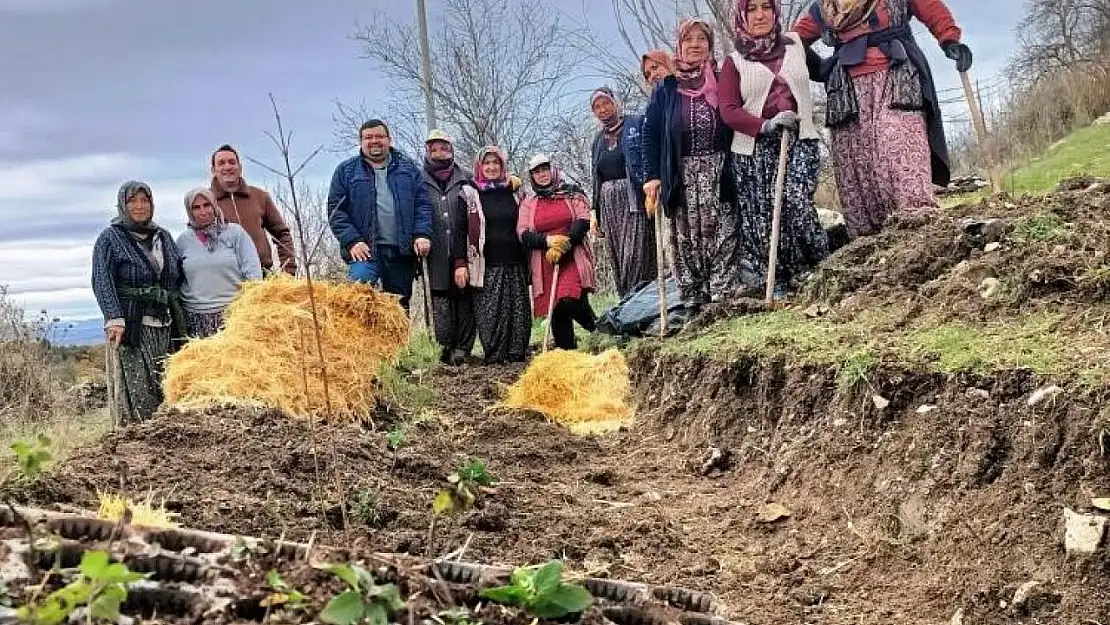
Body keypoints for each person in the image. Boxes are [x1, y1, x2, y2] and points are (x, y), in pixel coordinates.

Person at [794, 0, 971, 237]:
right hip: (846, 94)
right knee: (856, 168)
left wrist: (950, 39)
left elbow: (931, 8)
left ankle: (922, 233)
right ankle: (871, 246)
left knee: (898, 151)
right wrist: (818, 67)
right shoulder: (825, 7)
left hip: (895, 78)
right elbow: (794, 41)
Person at [720, 0, 828, 297]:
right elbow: (728, 110)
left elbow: (825, 69)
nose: (760, 15)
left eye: (765, 7)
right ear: (743, 16)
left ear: (774, 11)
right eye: (752, 9)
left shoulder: (794, 43)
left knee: (794, 199)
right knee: (765, 218)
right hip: (754, 149)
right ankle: (779, 279)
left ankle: (820, 263)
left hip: (800, 138)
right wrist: (765, 124)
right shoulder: (734, 61)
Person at [642, 19, 743, 309]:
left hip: (719, 168)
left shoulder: (724, 77)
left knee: (724, 229)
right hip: (681, 173)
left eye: (701, 39)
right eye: (689, 40)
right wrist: (651, 175)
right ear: (679, 46)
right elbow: (650, 133)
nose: (695, 44)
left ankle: (722, 295)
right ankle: (694, 301)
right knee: (685, 236)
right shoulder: (666, 88)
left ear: (710, 45)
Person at [91, 181, 185, 423]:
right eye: (133, 201)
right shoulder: (110, 239)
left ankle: (167, 439)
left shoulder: (162, 236)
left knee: (165, 385)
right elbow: (102, 279)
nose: (140, 206)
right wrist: (114, 318)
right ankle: (138, 443)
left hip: (164, 325)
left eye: (145, 200)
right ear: (123, 204)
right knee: (138, 391)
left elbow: (175, 276)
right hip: (131, 326)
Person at [327, 119, 433, 310]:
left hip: (401, 251)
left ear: (389, 140)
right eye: (368, 137)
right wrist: (352, 241)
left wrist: (422, 234)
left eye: (379, 136)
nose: (374, 141)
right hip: (365, 251)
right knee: (360, 297)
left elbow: (423, 205)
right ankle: (362, 340)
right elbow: (336, 212)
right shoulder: (346, 172)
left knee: (398, 307)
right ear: (361, 142)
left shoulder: (408, 170)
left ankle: (400, 341)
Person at [454, 146, 532, 365]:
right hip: (485, 263)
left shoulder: (515, 191)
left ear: (502, 166)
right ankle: (495, 355)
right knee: (490, 312)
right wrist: (459, 263)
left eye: (496, 163)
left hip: (515, 260)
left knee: (518, 310)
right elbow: (460, 231)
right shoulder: (469, 193)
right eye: (486, 163)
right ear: (479, 167)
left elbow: (529, 219)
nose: (491, 167)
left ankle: (517, 353)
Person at [517, 154, 597, 351]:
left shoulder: (571, 192)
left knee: (569, 299)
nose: (542, 174)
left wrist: (565, 244)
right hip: (544, 260)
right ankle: (567, 354)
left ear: (552, 170)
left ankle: (599, 329)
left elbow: (583, 219)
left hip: (572, 255)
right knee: (556, 309)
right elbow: (523, 233)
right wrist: (547, 242)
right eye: (537, 172)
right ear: (532, 176)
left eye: (544, 169)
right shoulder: (529, 201)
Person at [590, 87, 657, 297]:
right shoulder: (598, 140)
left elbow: (649, 155)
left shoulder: (636, 124)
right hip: (609, 204)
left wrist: (650, 189)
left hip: (633, 198)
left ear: (615, 103)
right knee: (617, 256)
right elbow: (596, 177)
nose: (603, 110)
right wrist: (595, 212)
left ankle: (641, 301)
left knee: (635, 254)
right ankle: (626, 301)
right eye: (597, 107)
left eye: (606, 103)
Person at [420, 129, 477, 365]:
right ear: (427, 151)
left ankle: (463, 348)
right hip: (433, 251)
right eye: (434, 148)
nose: (439, 152)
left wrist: (512, 183)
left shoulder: (465, 178)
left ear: (451, 149)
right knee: (440, 299)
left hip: (462, 248)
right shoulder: (419, 180)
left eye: (444, 147)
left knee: (464, 297)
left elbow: (487, 191)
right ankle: (442, 348)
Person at [176, 188, 263, 338]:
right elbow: (177, 279)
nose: (203, 211)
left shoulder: (235, 233)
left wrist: (251, 309)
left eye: (207, 205)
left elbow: (253, 274)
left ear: (214, 205)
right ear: (189, 211)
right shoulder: (183, 241)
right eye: (196, 208)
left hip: (233, 314)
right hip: (196, 318)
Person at [209, 144, 298, 275]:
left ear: (240, 168)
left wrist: (288, 271)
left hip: (262, 276)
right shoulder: (205, 203)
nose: (227, 167)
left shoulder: (260, 196)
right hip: (225, 280)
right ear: (213, 170)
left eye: (232, 162)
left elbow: (282, 234)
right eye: (221, 163)